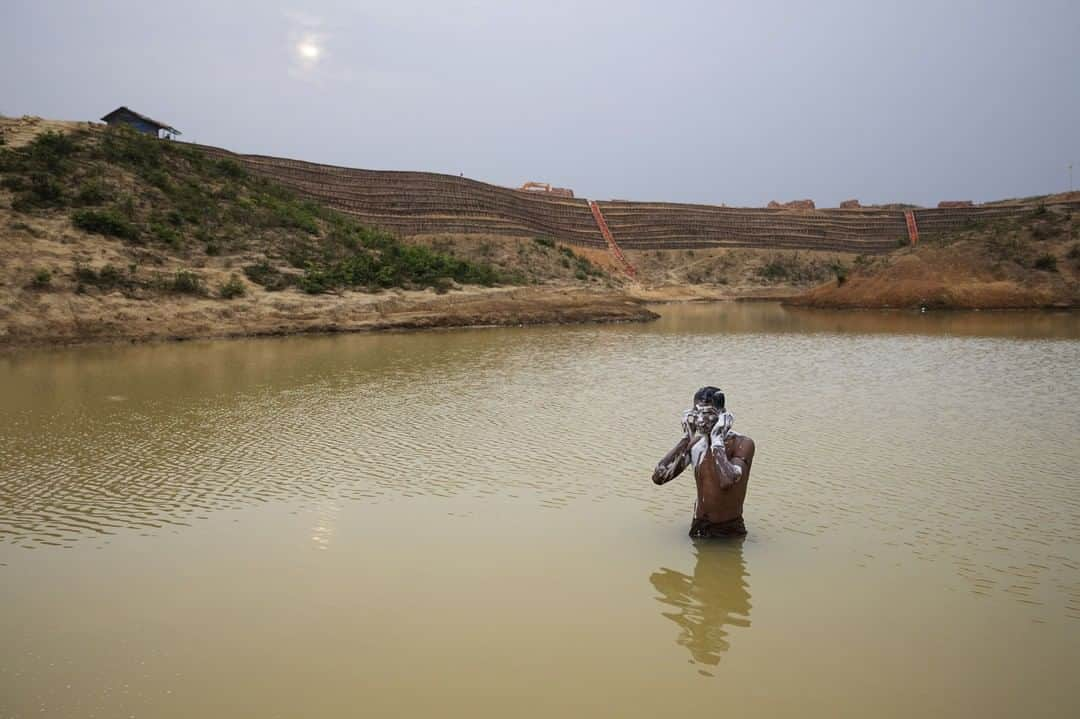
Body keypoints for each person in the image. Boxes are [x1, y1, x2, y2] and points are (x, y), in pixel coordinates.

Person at [652, 387, 756, 538]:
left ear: (722, 414)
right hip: (699, 526)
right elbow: (659, 478)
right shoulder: (695, 444)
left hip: (728, 529)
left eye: (706, 413)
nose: (700, 420)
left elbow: (726, 481)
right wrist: (686, 437)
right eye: (697, 413)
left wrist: (716, 439)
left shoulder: (742, 444)